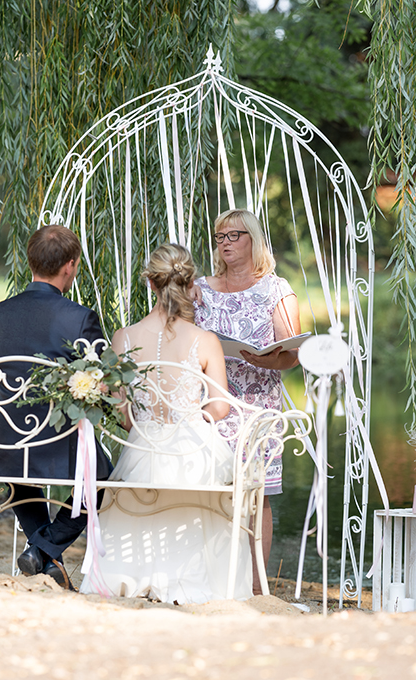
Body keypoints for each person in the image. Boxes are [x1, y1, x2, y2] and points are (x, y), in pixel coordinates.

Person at [80, 244, 253, 604]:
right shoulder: (205, 340)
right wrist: (190, 420)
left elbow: (118, 407)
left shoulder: (123, 338)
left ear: (150, 284)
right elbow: (220, 407)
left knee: (131, 497)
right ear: (191, 284)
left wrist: (144, 424)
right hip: (193, 451)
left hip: (143, 448)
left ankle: (130, 578)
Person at [0, 224, 111, 589]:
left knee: (20, 478)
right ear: (69, 266)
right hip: (56, 440)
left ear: (30, 261)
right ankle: (44, 549)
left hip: (5, 442)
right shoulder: (80, 318)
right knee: (103, 477)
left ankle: (42, 553)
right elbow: (102, 380)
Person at [193, 209, 301, 594]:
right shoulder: (201, 289)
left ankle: (257, 587)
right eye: (220, 236)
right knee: (209, 491)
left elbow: (292, 351)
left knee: (259, 496)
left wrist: (270, 359)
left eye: (233, 235)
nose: (224, 243)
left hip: (258, 406)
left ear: (252, 239)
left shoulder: (275, 289)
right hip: (211, 404)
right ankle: (211, 577)